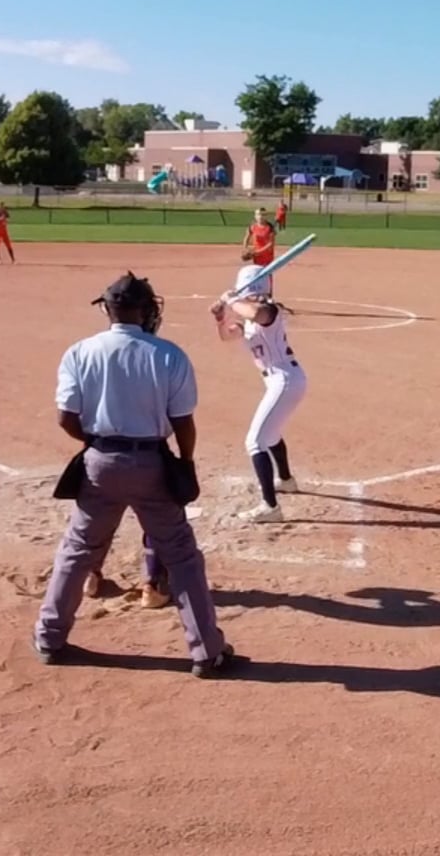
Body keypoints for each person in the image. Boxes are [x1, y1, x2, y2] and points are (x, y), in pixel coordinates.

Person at [35, 272, 239, 678]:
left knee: (77, 550)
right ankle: (206, 652)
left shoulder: (80, 351)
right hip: (151, 465)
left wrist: (97, 443)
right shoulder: (168, 354)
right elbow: (183, 422)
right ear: (146, 311)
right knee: (181, 556)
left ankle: (49, 639)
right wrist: (185, 463)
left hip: (99, 463)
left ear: (107, 310)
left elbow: (65, 418)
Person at [211, 264, 305, 524]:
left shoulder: (269, 311)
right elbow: (227, 336)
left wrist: (231, 299)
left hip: (284, 380)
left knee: (255, 441)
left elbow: (255, 312)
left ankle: (270, 507)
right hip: (280, 381)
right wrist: (220, 317)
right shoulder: (251, 320)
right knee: (270, 434)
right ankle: (286, 480)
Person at [243, 207, 277, 292]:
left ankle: (269, 293)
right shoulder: (252, 227)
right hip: (257, 256)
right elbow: (247, 237)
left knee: (267, 274)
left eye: (263, 214)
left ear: (266, 216)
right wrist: (245, 248)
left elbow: (271, 244)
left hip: (267, 255)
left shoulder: (270, 228)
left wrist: (258, 252)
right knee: (258, 273)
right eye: (258, 214)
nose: (261, 216)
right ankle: (259, 292)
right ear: (255, 216)